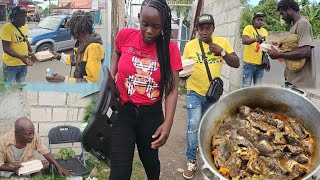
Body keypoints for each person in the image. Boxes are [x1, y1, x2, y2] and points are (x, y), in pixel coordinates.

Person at [109, 0, 182, 179]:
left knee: (151, 163)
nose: (149, 31)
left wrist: (168, 123)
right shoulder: (125, 36)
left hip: (151, 115)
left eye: (156, 27)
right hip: (122, 112)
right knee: (119, 171)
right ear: (139, 18)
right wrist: (111, 79)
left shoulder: (169, 48)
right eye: (145, 24)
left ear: (164, 25)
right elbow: (117, 53)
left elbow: (172, 89)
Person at [182, 14, 240, 179]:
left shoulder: (222, 43)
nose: (204, 31)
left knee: (209, 126)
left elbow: (236, 63)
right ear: (197, 30)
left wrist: (222, 52)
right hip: (194, 92)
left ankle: (208, 156)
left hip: (212, 95)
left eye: (208, 28)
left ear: (213, 29)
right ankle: (191, 161)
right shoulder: (190, 46)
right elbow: (183, 68)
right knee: (193, 126)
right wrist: (182, 75)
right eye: (201, 28)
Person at [0, 117, 71, 177]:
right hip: (11, 167)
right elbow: (0, 164)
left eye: (33, 132)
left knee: (38, 175)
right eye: (28, 134)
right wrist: (13, 169)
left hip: (29, 165)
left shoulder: (34, 136)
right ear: (17, 134)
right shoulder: (3, 141)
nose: (32, 136)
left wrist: (58, 166)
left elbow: (45, 151)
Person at [268, 0, 315, 89]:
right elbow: (293, 47)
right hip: (292, 78)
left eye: (282, 14)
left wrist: (279, 54)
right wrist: (278, 47)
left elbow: (305, 51)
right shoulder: (294, 26)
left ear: (289, 10)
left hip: (300, 81)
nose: (282, 17)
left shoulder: (303, 23)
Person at [48, 10, 104, 83]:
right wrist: (59, 56)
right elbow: (78, 59)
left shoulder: (93, 47)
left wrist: (64, 80)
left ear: (76, 30)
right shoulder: (82, 42)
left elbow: (93, 81)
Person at [1, 6, 35, 85]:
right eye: (21, 16)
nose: (24, 19)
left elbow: (25, 40)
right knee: (8, 87)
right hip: (11, 66)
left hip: (23, 64)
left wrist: (31, 52)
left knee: (21, 85)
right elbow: (6, 48)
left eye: (25, 16)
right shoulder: (7, 28)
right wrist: (21, 57)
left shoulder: (25, 27)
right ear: (14, 17)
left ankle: (20, 96)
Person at [242, 12, 269, 87]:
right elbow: (244, 41)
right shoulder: (248, 28)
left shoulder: (265, 31)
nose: (260, 21)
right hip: (249, 64)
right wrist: (256, 39)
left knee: (258, 88)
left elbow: (265, 47)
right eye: (258, 20)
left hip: (260, 65)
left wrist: (267, 60)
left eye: (262, 20)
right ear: (253, 21)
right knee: (246, 88)